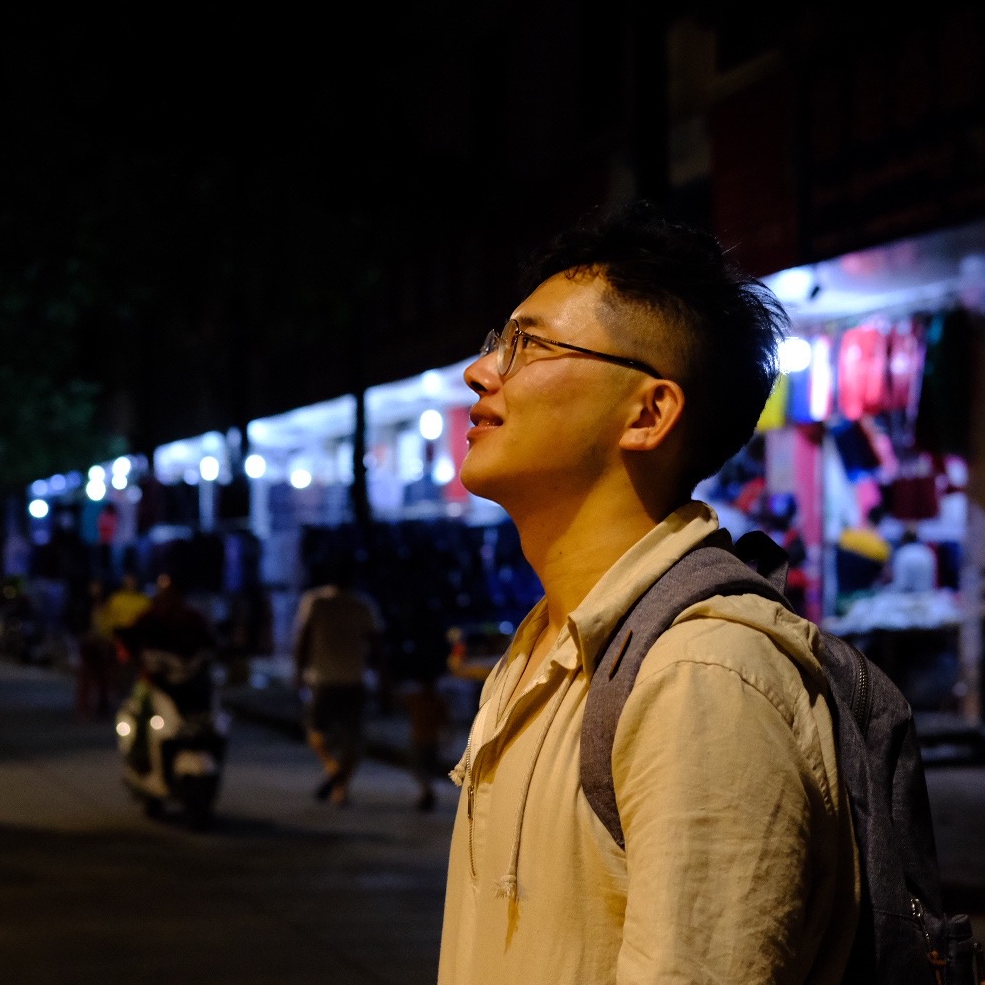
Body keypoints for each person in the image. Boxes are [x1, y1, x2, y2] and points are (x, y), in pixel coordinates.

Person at [438, 200, 860, 984]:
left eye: (528, 344)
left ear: (649, 411)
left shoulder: (700, 677)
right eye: (499, 341)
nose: (481, 370)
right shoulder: (544, 648)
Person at [291, 560, 385, 806]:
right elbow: (376, 644)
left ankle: (332, 767)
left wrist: (298, 671)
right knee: (353, 739)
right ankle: (341, 788)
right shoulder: (362, 605)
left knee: (315, 729)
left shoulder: (314, 601)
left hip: (323, 678)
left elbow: (303, 638)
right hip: (354, 678)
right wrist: (382, 677)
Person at [889, 526, 938, 593]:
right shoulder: (927, 552)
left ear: (904, 541)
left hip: (905, 595)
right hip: (926, 593)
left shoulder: (903, 553)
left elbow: (901, 583)